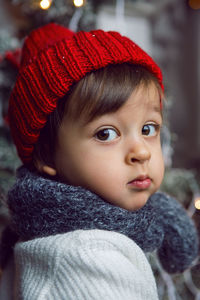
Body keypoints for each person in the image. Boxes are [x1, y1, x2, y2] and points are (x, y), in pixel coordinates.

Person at [0, 23, 198, 300]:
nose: (141, 152)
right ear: (46, 154)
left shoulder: (49, 234)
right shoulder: (88, 259)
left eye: (148, 128)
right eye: (106, 133)